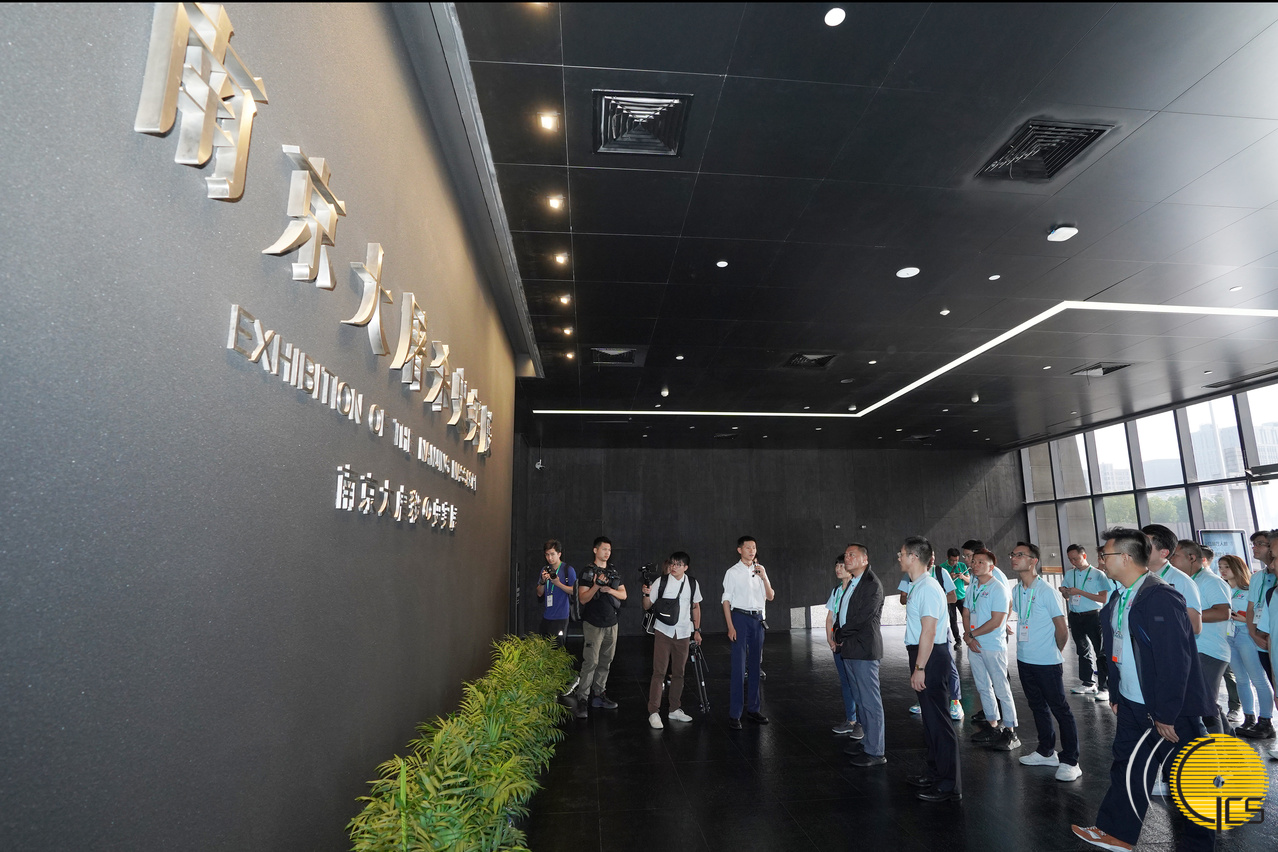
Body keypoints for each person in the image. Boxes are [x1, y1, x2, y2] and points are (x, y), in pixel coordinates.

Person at [1071, 528, 1216, 852]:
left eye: (1106, 555)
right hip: (1133, 703)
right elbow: (1117, 652)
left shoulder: (1160, 596)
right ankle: (1116, 833)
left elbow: (1174, 660)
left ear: (1125, 557)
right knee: (1128, 767)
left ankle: (1199, 845)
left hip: (1169, 710)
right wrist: (1117, 695)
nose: (1101, 561)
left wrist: (1166, 712)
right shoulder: (1121, 596)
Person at [1010, 541, 1081, 782]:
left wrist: (1053, 652)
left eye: (1020, 555)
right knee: (1037, 706)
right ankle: (1046, 751)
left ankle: (1071, 760)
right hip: (1024, 659)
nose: (1014, 558)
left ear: (1033, 561)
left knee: (1060, 709)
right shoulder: (1017, 590)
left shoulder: (1046, 591)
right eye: (1013, 554)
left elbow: (1062, 629)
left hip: (1047, 662)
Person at [900, 536, 961, 802]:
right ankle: (936, 773)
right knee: (930, 721)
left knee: (939, 722)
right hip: (924, 654)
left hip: (931, 657)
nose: (899, 557)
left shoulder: (927, 587)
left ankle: (949, 784)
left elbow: (929, 631)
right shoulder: (917, 585)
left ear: (914, 557)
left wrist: (920, 667)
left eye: (902, 553)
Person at [1172, 539, 1233, 733]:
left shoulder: (1211, 581)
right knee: (1205, 702)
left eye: (1175, 555)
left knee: (1205, 705)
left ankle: (1218, 748)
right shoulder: (1187, 580)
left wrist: (1183, 616)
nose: (1171, 559)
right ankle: (1227, 741)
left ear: (1191, 557)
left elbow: (1223, 612)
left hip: (1210, 651)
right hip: (1195, 650)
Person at [964, 548, 1021, 752]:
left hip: (992, 645)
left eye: (981, 562)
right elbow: (966, 612)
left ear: (992, 566)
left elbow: (997, 621)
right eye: (974, 561)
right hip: (974, 644)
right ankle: (993, 726)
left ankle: (1011, 732)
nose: (975, 565)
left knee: (1001, 688)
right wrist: (968, 635)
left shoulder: (998, 588)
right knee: (983, 687)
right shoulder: (973, 586)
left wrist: (971, 635)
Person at [836, 543, 887, 768]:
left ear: (865, 559)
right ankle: (867, 743)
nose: (847, 558)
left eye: (852, 555)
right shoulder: (853, 582)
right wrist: (838, 630)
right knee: (861, 700)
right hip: (851, 648)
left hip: (864, 650)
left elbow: (862, 618)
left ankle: (876, 752)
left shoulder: (871, 584)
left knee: (870, 702)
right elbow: (844, 612)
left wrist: (840, 632)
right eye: (846, 555)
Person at [898, 554, 963, 720]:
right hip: (919, 631)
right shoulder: (909, 576)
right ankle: (923, 700)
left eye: (933, 556)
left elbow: (953, 596)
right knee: (923, 668)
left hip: (940, 628)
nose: (931, 559)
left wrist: (934, 599)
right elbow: (903, 598)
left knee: (948, 664)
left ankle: (955, 700)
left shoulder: (939, 574)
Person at [644, 551, 702, 729]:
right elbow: (647, 606)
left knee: (679, 673)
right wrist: (646, 594)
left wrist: (697, 630)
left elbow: (696, 607)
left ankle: (674, 709)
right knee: (659, 672)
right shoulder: (661, 582)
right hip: (663, 631)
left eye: (678, 564)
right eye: (672, 563)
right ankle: (653, 712)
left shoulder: (692, 583)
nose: (674, 567)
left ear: (686, 567)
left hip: (684, 633)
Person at [1220, 554, 1275, 739]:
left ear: (1237, 567)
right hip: (1230, 635)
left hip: (1246, 634)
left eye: (1226, 566)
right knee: (1241, 679)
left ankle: (1266, 720)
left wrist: (1247, 620)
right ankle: (1249, 718)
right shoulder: (1224, 589)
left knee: (1258, 679)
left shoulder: (1250, 588)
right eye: (1220, 567)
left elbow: (1259, 613)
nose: (1222, 570)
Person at [722, 535, 774, 729]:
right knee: (738, 667)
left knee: (755, 667)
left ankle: (753, 709)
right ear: (739, 550)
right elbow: (726, 600)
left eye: (754, 547)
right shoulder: (732, 572)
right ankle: (735, 713)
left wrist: (764, 577)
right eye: (748, 547)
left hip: (758, 619)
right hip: (740, 618)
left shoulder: (760, 569)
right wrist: (730, 626)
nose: (752, 551)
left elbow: (770, 596)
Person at [571, 536, 627, 717]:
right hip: (593, 623)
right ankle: (582, 698)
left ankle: (599, 695)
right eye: (604, 549)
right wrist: (596, 585)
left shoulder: (613, 571)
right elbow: (583, 598)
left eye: (609, 550)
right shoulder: (587, 571)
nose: (607, 553)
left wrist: (609, 589)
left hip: (612, 623)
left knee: (606, 661)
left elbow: (624, 595)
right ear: (595, 550)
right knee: (591, 662)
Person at [1060, 544, 1112, 702]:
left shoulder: (1098, 574)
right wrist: (1065, 592)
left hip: (1093, 615)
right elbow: (1067, 597)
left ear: (1084, 556)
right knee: (1082, 650)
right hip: (1075, 616)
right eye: (1070, 559)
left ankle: (1104, 687)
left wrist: (1079, 592)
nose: (1073, 562)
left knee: (1100, 652)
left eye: (1076, 558)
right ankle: (1088, 683)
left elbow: (1103, 598)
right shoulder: (1070, 574)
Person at [1141, 524, 1202, 634]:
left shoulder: (1181, 581)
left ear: (1164, 553)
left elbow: (1194, 626)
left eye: (1145, 545)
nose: (1139, 549)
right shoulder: (1138, 577)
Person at [824, 555, 860, 740]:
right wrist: (830, 639)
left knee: (857, 683)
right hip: (838, 643)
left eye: (842, 566)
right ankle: (851, 720)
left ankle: (861, 722)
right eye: (836, 566)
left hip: (852, 643)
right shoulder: (837, 591)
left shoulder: (857, 590)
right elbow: (830, 618)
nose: (838, 569)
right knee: (846, 682)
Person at [1248, 530, 1277, 691]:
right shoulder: (1257, 577)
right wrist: (1254, 634)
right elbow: (1251, 608)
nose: (1254, 548)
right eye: (1253, 544)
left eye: (1260, 544)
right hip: (1262, 641)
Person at [535, 539, 576, 645]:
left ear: (559, 554)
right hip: (547, 616)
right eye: (547, 555)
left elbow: (574, 591)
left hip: (561, 617)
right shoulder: (545, 569)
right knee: (544, 648)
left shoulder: (568, 570)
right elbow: (539, 593)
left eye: (552, 554)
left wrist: (558, 584)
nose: (550, 558)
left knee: (558, 649)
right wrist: (543, 581)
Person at [943, 548, 970, 649]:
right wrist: (949, 577)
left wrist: (962, 577)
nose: (955, 562)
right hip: (950, 598)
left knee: (967, 617)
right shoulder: (942, 568)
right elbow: (940, 583)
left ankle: (970, 636)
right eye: (952, 560)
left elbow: (969, 580)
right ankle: (958, 640)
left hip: (961, 596)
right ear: (947, 557)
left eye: (956, 560)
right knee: (953, 619)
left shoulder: (962, 566)